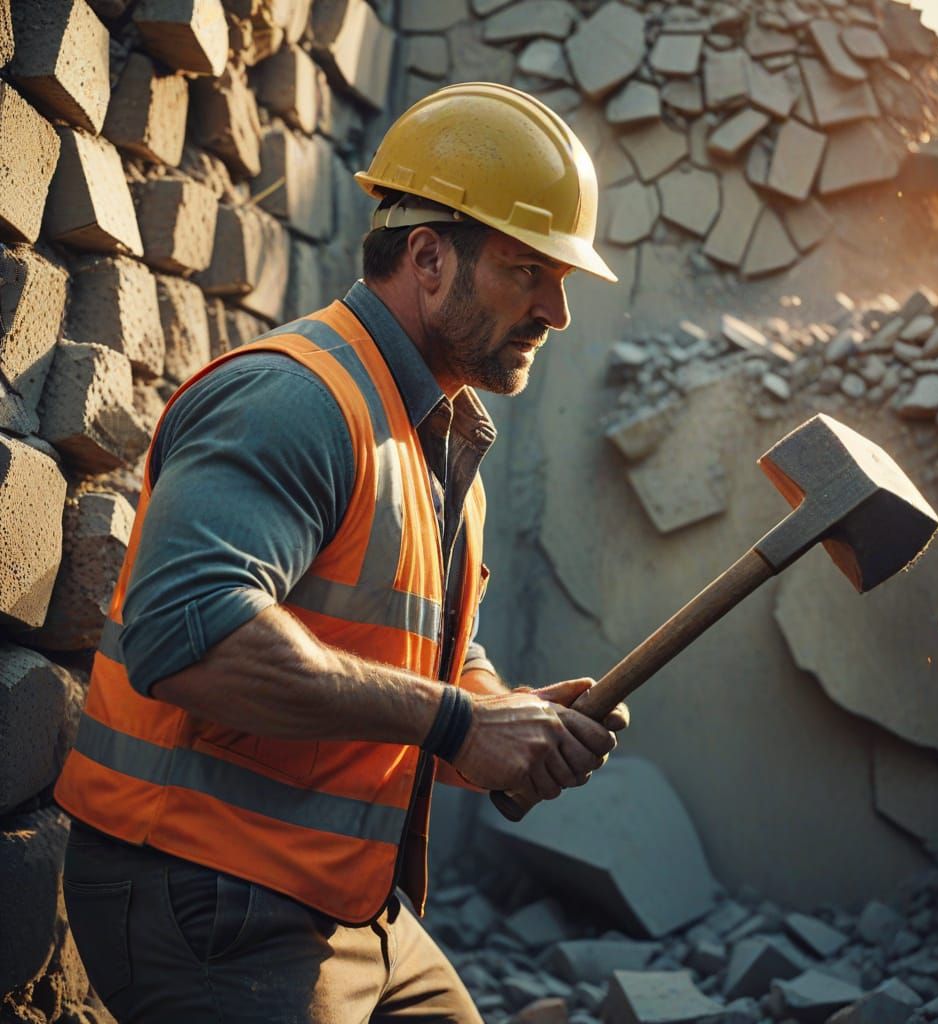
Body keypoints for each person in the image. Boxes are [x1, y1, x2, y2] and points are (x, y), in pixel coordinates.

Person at [54, 82, 628, 1023]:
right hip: (208, 895)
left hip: (349, 906)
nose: (556, 312)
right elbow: (186, 637)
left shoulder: (437, 442)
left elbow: (415, 656)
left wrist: (502, 718)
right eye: (531, 270)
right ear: (430, 257)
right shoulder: (300, 402)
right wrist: (454, 724)